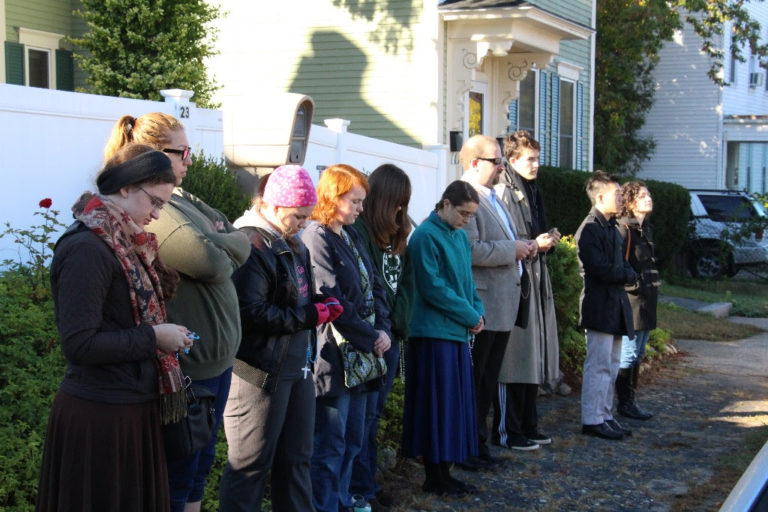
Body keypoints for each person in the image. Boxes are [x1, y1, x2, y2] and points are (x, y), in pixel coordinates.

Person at [104, 113, 251, 512]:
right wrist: (225, 241)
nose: (190, 159)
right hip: (191, 368)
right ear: (153, 155)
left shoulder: (182, 200)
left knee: (199, 468)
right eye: (182, 152)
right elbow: (212, 262)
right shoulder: (160, 210)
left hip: (215, 364)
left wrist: (225, 238)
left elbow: (238, 233)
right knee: (179, 473)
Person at [36, 145, 194, 512]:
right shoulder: (86, 248)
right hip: (98, 420)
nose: (157, 214)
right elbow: (80, 344)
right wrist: (155, 337)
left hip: (130, 411)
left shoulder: (126, 241)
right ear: (127, 187)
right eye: (154, 202)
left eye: (162, 206)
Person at [218, 165, 342, 511]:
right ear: (272, 206)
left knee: (297, 460)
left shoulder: (292, 241)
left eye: (306, 216)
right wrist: (307, 315)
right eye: (297, 216)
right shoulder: (250, 243)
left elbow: (292, 298)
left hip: (296, 367)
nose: (303, 224)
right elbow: (249, 312)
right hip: (258, 371)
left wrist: (320, 303)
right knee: (250, 466)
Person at [300, 164, 392, 512]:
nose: (360, 209)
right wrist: (371, 336)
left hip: (365, 355)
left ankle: (341, 502)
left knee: (354, 439)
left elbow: (375, 286)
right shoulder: (317, 236)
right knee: (331, 444)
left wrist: (382, 329)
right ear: (332, 197)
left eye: (361, 201)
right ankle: (324, 506)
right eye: (354, 201)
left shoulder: (350, 234)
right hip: (335, 357)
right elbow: (329, 297)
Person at [401, 180, 485, 496]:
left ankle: (445, 472)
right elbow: (433, 287)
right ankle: (434, 475)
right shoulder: (424, 236)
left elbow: (467, 282)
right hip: (432, 333)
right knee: (436, 406)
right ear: (446, 204)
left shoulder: (460, 237)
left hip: (455, 332)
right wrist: (469, 314)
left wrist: (478, 311)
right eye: (463, 213)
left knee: (452, 405)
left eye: (471, 215)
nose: (466, 220)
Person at [458, 135, 537, 461]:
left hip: (503, 303)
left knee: (488, 381)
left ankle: (479, 444)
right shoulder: (464, 196)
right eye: (496, 161)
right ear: (475, 163)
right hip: (483, 304)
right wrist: (512, 250)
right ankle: (469, 446)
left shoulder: (493, 195)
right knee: (477, 382)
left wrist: (525, 246)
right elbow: (469, 249)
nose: (502, 166)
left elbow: (503, 240)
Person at [350, 164, 414, 511]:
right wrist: (381, 328)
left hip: (391, 338)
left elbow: (404, 288)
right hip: (370, 337)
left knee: (373, 418)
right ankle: (360, 488)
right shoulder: (360, 231)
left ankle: (367, 483)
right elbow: (368, 290)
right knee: (362, 419)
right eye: (398, 202)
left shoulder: (397, 235)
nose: (402, 210)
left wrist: (396, 326)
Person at [492, 130, 561, 451]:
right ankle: (509, 430)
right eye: (530, 159)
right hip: (517, 284)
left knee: (531, 355)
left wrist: (546, 240)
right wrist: (537, 243)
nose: (536, 165)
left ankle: (528, 423)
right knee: (515, 356)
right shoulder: (505, 192)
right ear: (512, 159)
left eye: (537, 158)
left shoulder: (530, 190)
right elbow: (509, 241)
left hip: (533, 278)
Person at [575, 171, 638, 441]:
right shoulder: (589, 228)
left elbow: (619, 265)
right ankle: (592, 418)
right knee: (599, 364)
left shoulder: (611, 227)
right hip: (599, 304)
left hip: (614, 304)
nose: (621, 197)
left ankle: (605, 414)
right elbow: (598, 268)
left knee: (611, 364)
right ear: (600, 196)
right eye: (616, 193)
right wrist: (626, 274)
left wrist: (627, 272)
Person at [616, 181, 659, 420]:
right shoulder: (624, 229)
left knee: (639, 352)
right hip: (631, 301)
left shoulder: (646, 229)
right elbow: (619, 264)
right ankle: (624, 403)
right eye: (641, 196)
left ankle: (631, 400)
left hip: (648, 300)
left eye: (648, 194)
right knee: (628, 353)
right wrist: (634, 285)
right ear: (630, 202)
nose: (648, 198)